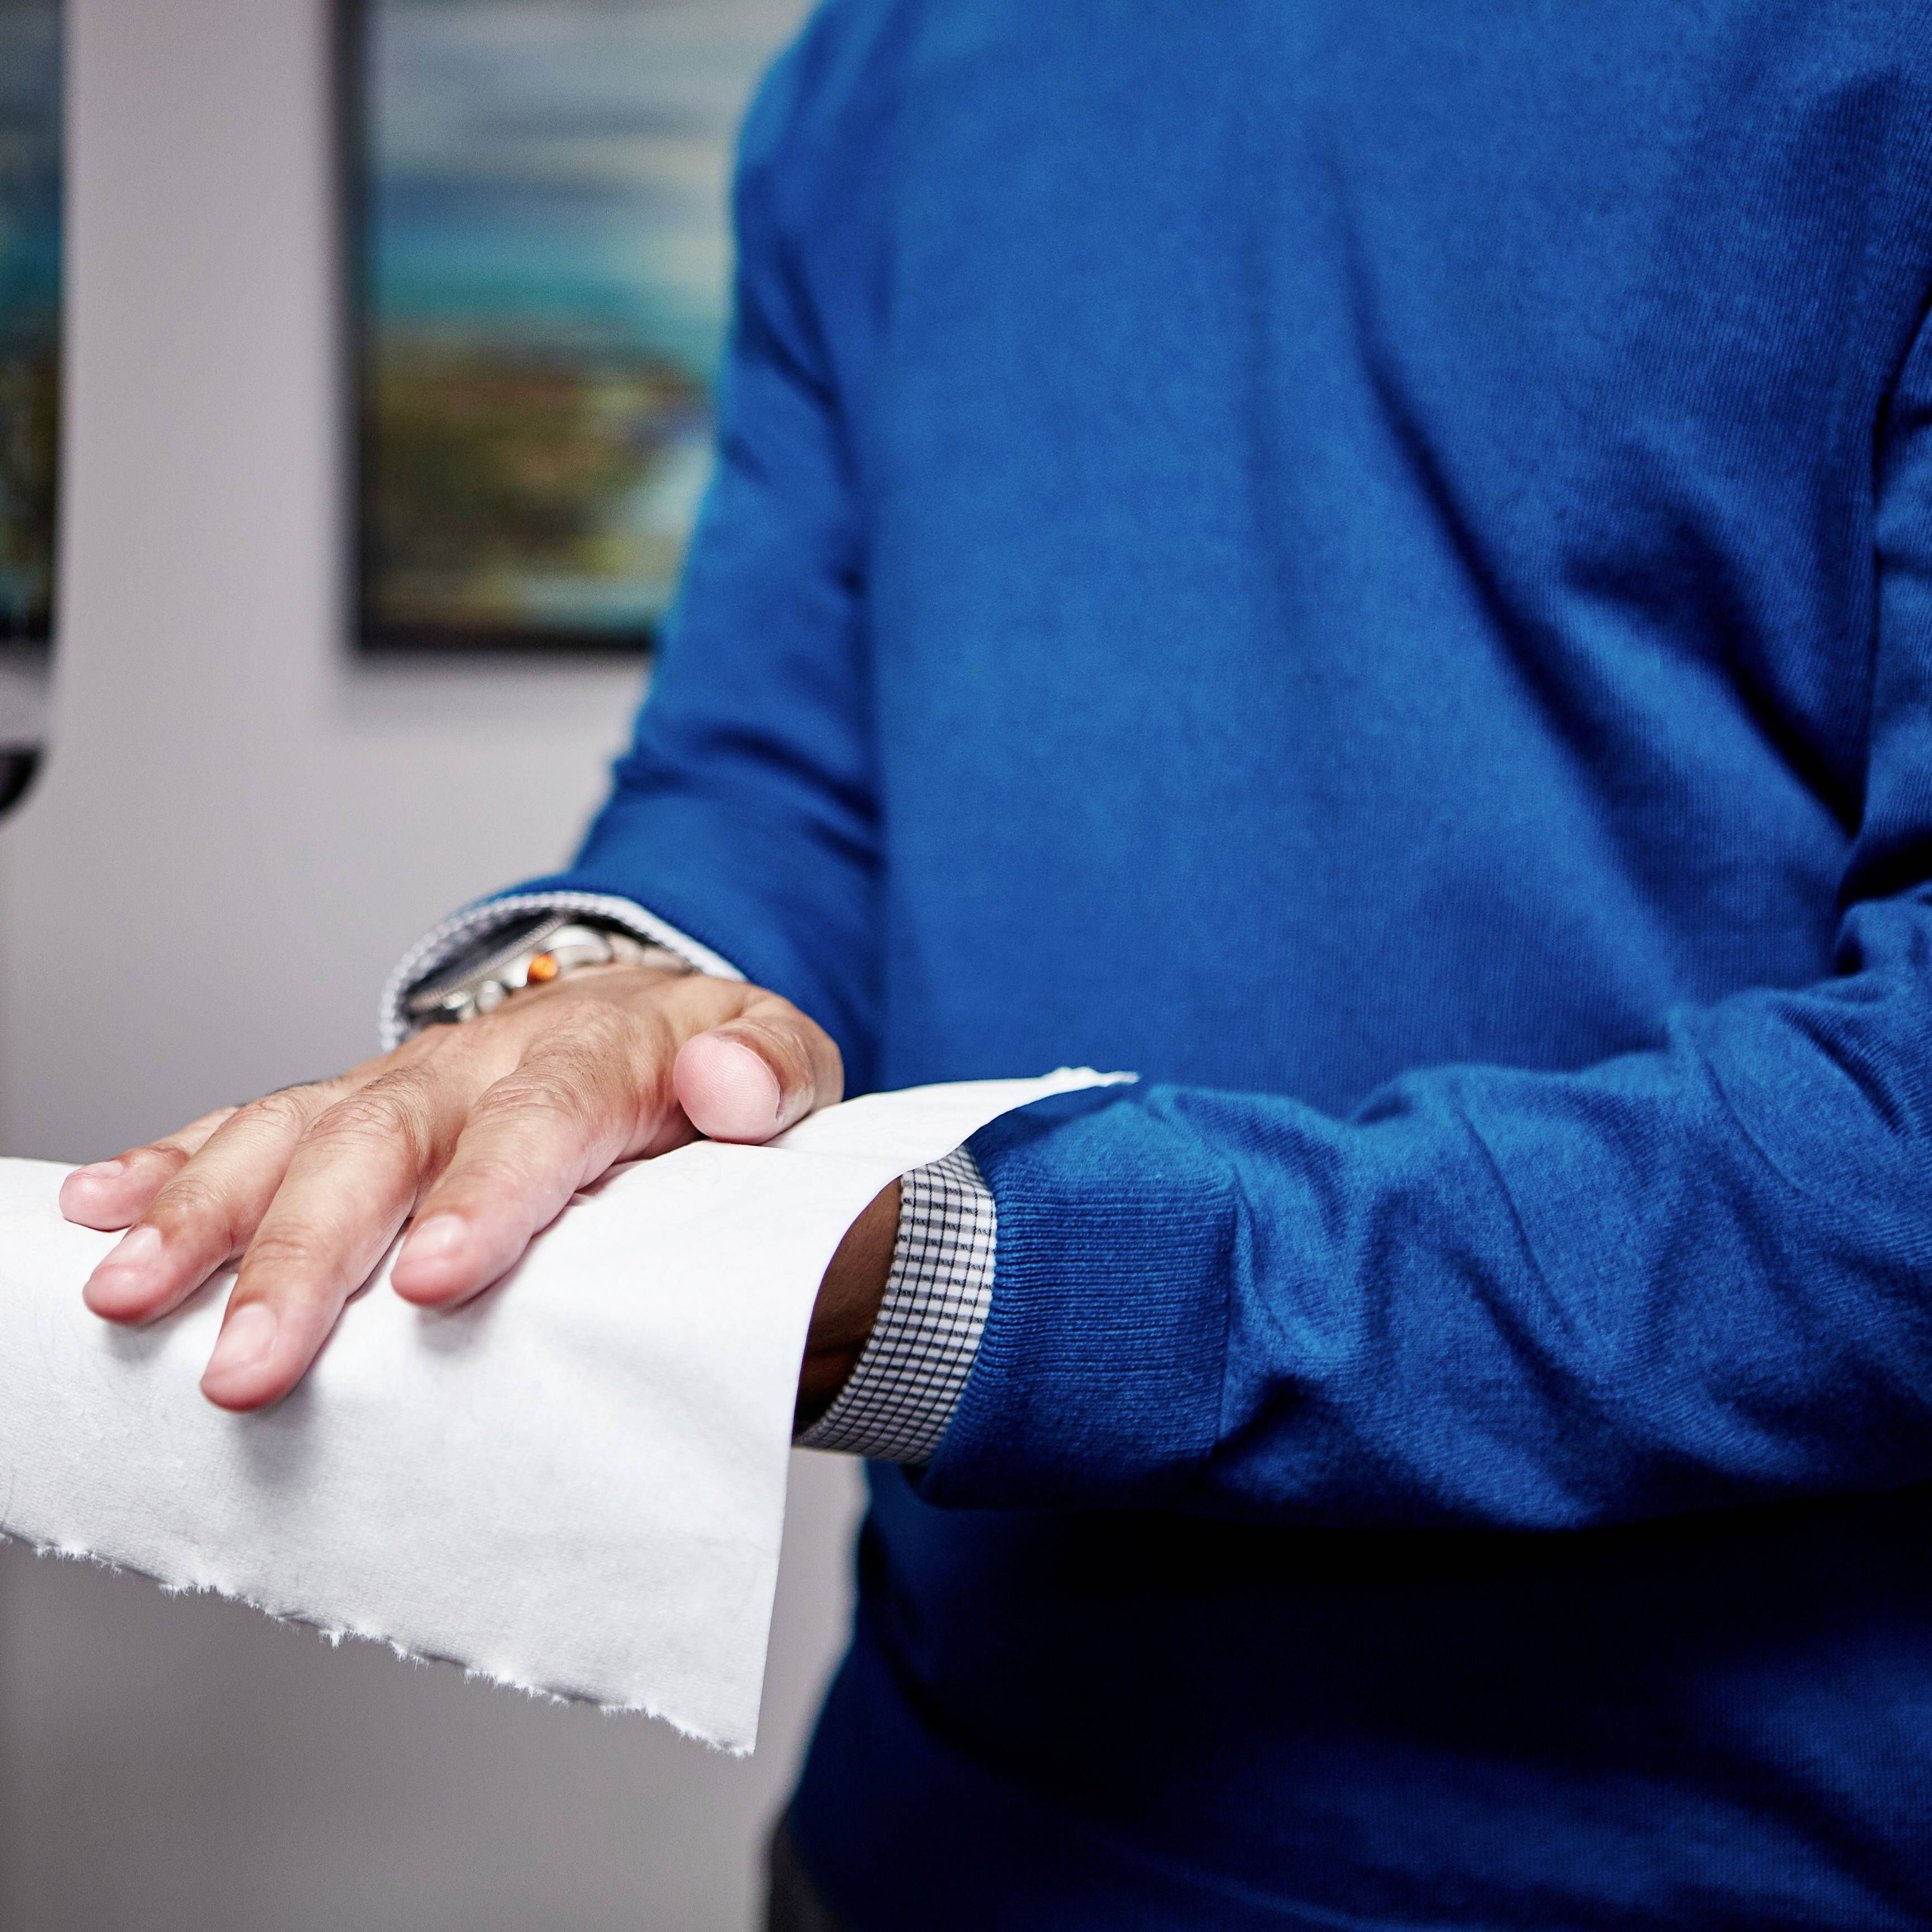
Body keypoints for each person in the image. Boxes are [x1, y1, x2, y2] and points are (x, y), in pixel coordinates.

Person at [57, 2, 1932, 1924]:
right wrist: (592, 1003)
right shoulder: (878, 68)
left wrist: (1013, 1288)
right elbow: (777, 781)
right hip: (915, 1845)